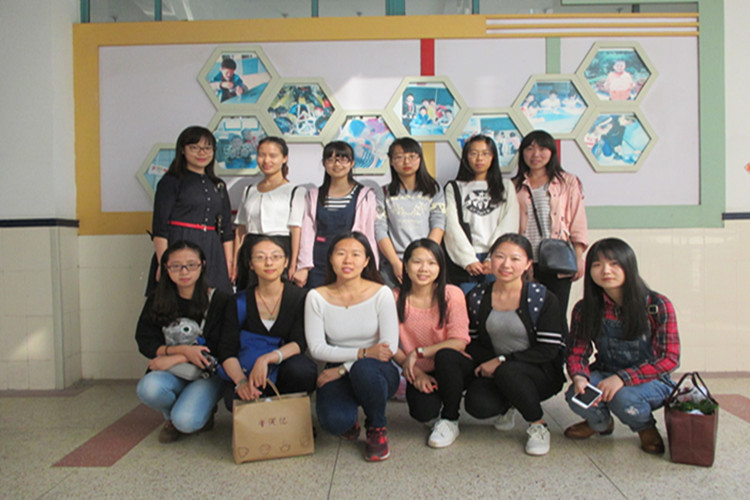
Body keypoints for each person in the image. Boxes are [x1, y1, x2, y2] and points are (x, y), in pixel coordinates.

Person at [563, 238, 680, 455]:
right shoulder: (585, 308)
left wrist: (622, 378)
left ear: (629, 266)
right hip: (605, 371)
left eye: (614, 263)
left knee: (623, 397)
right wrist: (579, 377)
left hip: (651, 380)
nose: (605, 270)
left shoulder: (656, 305)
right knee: (576, 396)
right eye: (597, 265)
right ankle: (600, 424)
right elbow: (577, 351)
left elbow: (670, 358)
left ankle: (644, 426)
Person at [464, 233, 566, 456]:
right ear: (490, 259)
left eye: (515, 259)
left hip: (539, 372)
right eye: (499, 257)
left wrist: (502, 361)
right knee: (477, 404)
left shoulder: (542, 298)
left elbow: (549, 349)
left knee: (508, 372)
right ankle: (511, 402)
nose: (506, 265)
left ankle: (538, 425)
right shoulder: (477, 296)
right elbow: (471, 341)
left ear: (528, 264)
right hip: (496, 369)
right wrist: (492, 362)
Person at [304, 232, 399, 462]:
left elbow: (389, 347)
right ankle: (350, 419)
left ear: (366, 261)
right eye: (341, 254)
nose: (348, 260)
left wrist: (344, 367)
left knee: (363, 369)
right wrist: (362, 353)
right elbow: (316, 348)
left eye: (356, 254)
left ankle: (377, 427)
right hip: (338, 369)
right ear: (330, 258)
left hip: (377, 370)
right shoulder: (316, 297)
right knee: (334, 422)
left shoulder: (381, 293)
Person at [136, 240, 237, 443]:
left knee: (186, 422)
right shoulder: (157, 299)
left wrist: (177, 357)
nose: (184, 272)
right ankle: (170, 418)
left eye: (191, 265)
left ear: (202, 265)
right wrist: (182, 352)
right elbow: (144, 339)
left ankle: (198, 410)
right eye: (176, 266)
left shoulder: (221, 300)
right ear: (166, 268)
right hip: (172, 372)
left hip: (207, 374)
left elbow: (225, 346)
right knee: (148, 389)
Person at [392, 239, 472, 448]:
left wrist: (419, 352)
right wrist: (417, 373)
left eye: (431, 263)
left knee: (445, 355)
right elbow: (389, 345)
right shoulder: (394, 298)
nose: (424, 269)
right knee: (422, 412)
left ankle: (450, 419)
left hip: (454, 364)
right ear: (406, 266)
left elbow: (459, 342)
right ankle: (438, 409)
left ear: (440, 267)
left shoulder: (451, 294)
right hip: (421, 369)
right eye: (417, 262)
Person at [221, 236, 317, 411]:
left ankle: (290, 415)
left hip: (284, 368)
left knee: (303, 371)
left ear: (286, 262)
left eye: (276, 256)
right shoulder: (238, 301)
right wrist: (241, 382)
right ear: (250, 264)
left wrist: (266, 359)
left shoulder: (299, 297)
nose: (269, 263)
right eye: (260, 257)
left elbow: (299, 342)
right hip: (249, 370)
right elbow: (227, 349)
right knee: (235, 400)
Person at [149, 126, 233, 294]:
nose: (202, 152)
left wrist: (229, 263)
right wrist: (164, 262)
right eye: (194, 147)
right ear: (182, 150)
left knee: (216, 301)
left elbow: (226, 230)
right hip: (180, 244)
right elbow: (160, 228)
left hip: (212, 249)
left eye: (207, 148)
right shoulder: (171, 181)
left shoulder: (218, 185)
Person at [513, 130, 588, 312]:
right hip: (525, 260)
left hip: (558, 260)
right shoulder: (514, 185)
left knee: (556, 312)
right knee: (527, 312)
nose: (535, 154)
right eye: (530, 149)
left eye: (542, 149)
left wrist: (579, 257)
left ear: (552, 152)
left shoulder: (567, 182)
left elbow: (577, 221)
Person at [294, 141, 378, 289]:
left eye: (342, 159)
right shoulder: (314, 195)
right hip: (319, 260)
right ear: (324, 163)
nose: (337, 164)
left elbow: (368, 234)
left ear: (352, 163)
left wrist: (372, 267)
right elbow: (307, 232)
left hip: (350, 260)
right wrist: (303, 267)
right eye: (331, 159)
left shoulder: (365, 195)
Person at [443, 134, 519, 294]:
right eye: (473, 153)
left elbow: (509, 223)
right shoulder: (454, 187)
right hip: (465, 259)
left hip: (497, 259)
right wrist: (468, 260)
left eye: (485, 153)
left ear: (493, 157)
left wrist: (494, 257)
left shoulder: (505, 186)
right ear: (466, 157)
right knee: (467, 304)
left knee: (496, 304)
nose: (479, 158)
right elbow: (451, 226)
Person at [233, 136, 305, 288]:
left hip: (280, 249)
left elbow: (296, 230)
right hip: (251, 251)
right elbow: (241, 229)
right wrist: (235, 263)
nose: (266, 161)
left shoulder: (295, 191)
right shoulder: (249, 190)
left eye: (273, 156)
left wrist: (294, 264)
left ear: (284, 158)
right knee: (249, 296)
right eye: (262, 155)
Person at [375, 137, 445, 287]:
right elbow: (380, 229)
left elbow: (438, 223)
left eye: (412, 156)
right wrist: (395, 262)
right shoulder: (384, 192)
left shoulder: (434, 190)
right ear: (391, 161)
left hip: (425, 262)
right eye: (399, 157)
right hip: (394, 263)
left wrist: (425, 258)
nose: (406, 162)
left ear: (420, 159)